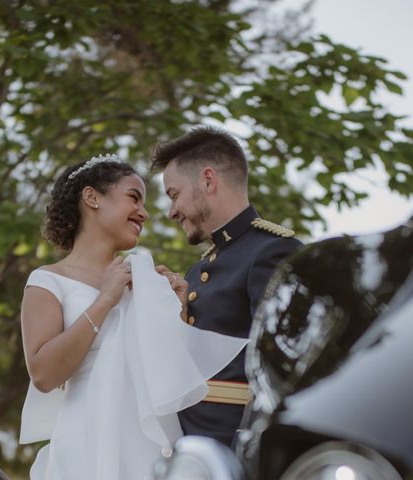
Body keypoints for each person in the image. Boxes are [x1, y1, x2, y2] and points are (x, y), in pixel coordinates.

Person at [18, 154, 247, 480]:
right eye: (133, 197)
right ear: (92, 197)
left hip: (150, 444)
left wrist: (177, 311)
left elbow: (169, 378)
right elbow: (43, 374)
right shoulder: (48, 281)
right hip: (86, 441)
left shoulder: (143, 281)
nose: (144, 212)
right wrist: (105, 299)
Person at [151, 126, 303, 446]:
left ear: (208, 180)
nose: (171, 212)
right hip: (191, 450)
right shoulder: (196, 271)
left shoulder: (273, 251)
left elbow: (285, 368)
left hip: (236, 447)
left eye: (174, 194)